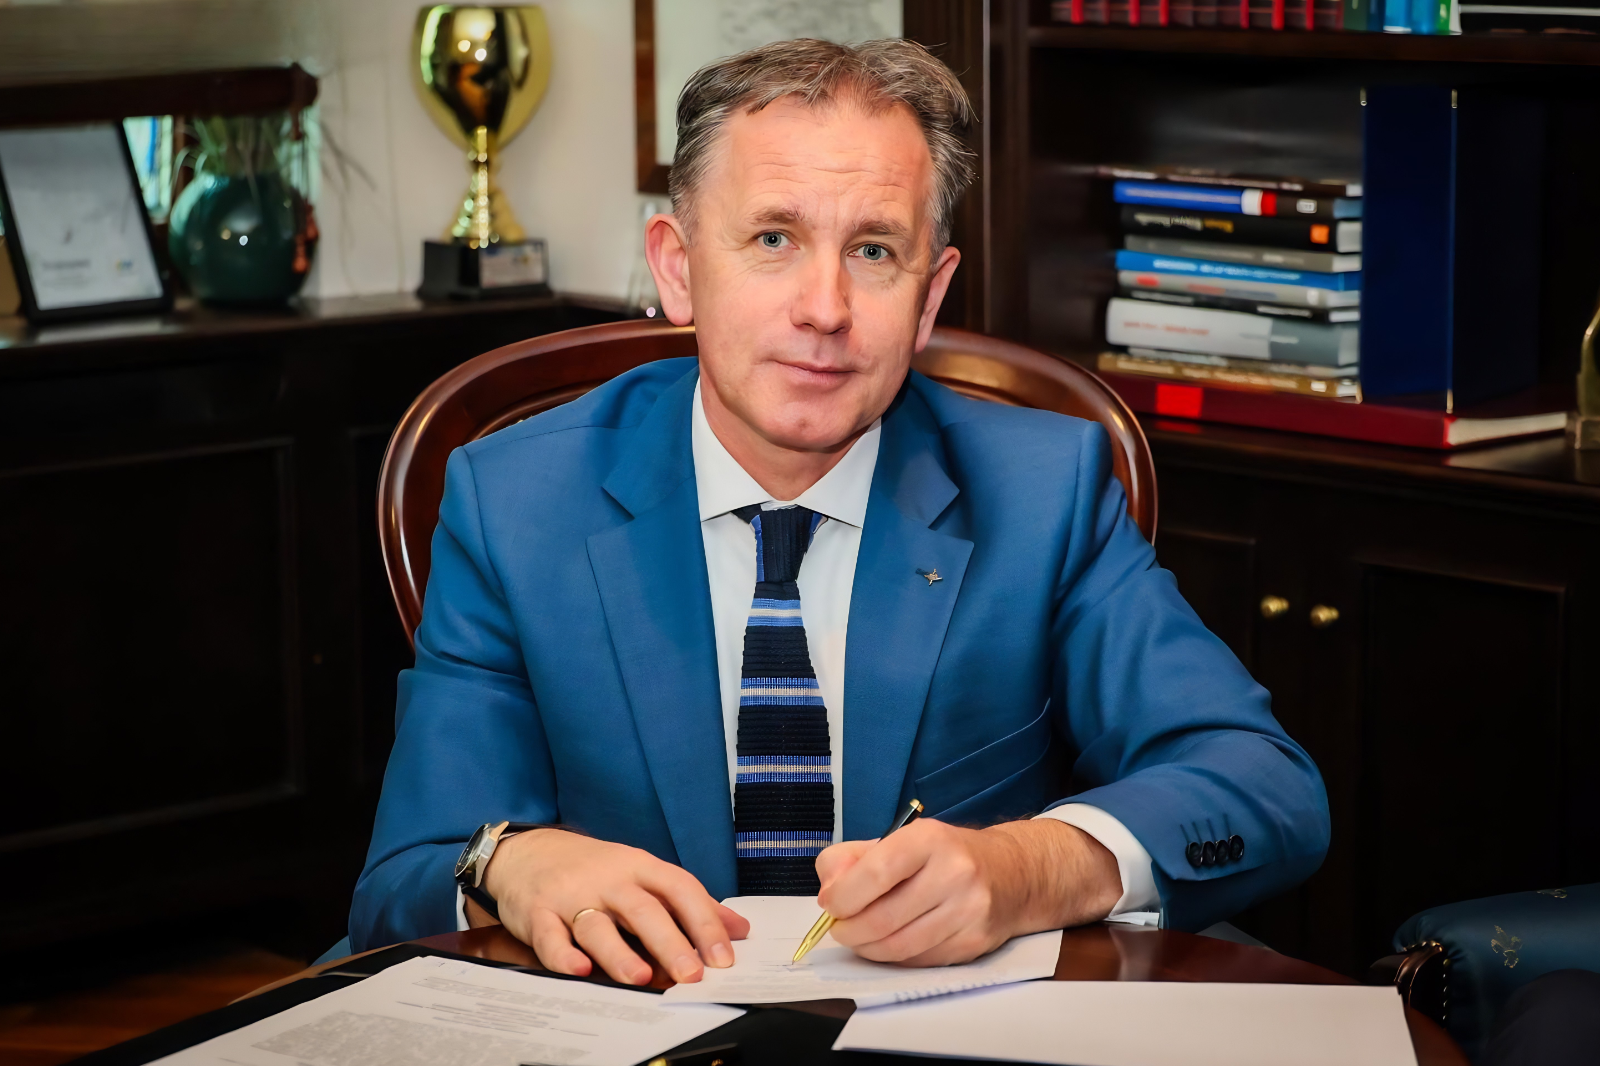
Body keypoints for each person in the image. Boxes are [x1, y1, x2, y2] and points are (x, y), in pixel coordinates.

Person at [349, 38, 1330, 987]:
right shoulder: (517, 502)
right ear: (678, 266)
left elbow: (1262, 782)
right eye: (773, 239)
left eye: (873, 249)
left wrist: (1026, 870)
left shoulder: (1042, 492)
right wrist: (509, 863)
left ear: (930, 296)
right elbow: (403, 879)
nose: (825, 307)